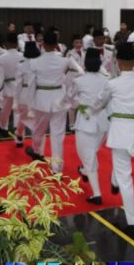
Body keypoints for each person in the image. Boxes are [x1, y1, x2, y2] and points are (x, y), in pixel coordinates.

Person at [93, 42, 134, 238]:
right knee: (121, 170)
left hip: (120, 134)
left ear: (118, 62)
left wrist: (92, 109)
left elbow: (99, 103)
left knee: (125, 179)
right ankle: (114, 180)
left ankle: (133, 223)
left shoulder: (113, 84)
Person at [25, 31, 81, 174]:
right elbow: (80, 73)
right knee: (58, 136)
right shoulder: (64, 60)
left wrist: (29, 106)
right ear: (57, 44)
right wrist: (69, 94)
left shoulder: (34, 62)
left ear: (42, 44)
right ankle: (57, 168)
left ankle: (37, 151)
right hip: (59, 99)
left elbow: (31, 85)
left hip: (41, 100)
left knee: (38, 130)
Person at [68, 49, 110, 205]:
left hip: (86, 121)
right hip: (103, 122)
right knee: (91, 154)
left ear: (85, 63)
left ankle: (97, 194)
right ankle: (84, 171)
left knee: (87, 155)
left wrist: (78, 103)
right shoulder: (107, 80)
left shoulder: (80, 81)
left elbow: (70, 97)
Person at [0, 33, 23, 136]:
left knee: (5, 109)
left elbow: (0, 76)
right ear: (17, 44)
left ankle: (3, 127)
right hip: (20, 86)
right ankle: (17, 128)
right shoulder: (22, 56)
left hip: (7, 86)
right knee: (18, 109)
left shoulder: (1, 58)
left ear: (6, 44)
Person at [14, 41, 40, 147]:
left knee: (24, 117)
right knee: (32, 118)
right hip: (36, 93)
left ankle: (20, 135)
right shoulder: (39, 63)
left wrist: (16, 99)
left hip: (25, 93)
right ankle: (21, 135)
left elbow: (18, 84)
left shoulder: (21, 64)